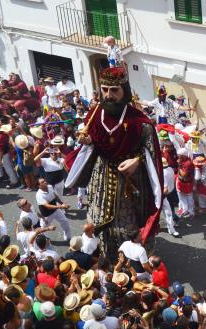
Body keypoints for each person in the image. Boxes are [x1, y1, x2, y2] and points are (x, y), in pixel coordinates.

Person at [65, 66, 164, 257]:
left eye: (114, 90)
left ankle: (133, 258)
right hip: (101, 175)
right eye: (104, 89)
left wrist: (138, 160)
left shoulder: (139, 121)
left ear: (124, 90)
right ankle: (102, 256)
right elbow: (94, 140)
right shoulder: (93, 115)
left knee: (128, 223)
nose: (108, 95)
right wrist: (88, 141)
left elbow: (152, 153)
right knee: (98, 217)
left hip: (131, 179)